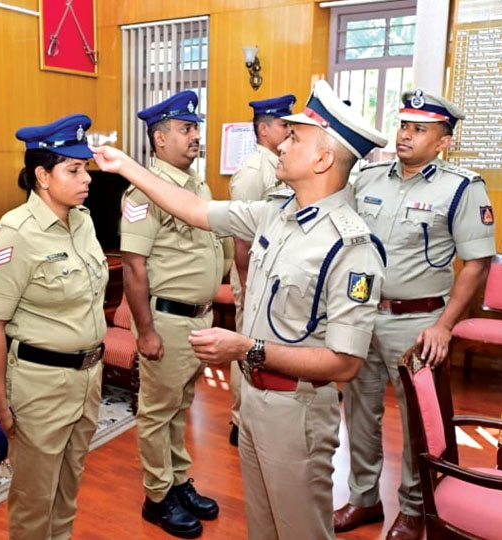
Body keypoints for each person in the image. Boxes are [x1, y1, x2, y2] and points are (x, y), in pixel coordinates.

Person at [94, 79, 387, 540]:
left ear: (322, 159)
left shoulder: (352, 247)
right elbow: (193, 210)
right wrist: (128, 166)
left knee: (299, 529)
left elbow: (345, 363)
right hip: (254, 400)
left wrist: (247, 348)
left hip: (298, 409)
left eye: (295, 137)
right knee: (263, 528)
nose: (281, 143)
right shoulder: (276, 213)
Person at [334, 89, 495, 540]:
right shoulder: (367, 179)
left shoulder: (462, 187)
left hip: (418, 322)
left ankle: (414, 507)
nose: (405, 135)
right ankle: (363, 499)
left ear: (443, 141)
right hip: (362, 314)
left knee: (418, 421)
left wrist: (444, 326)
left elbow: (476, 262)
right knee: (360, 413)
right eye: (404, 125)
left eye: (419, 129)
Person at [0, 114, 108, 540]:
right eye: (73, 169)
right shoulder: (13, 235)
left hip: (88, 377)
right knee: (34, 499)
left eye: (85, 167)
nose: (85, 177)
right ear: (42, 176)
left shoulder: (83, 220)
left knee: (69, 488)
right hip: (40, 384)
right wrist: (0, 406)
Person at [121, 90, 223, 538]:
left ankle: (179, 482)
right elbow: (134, 266)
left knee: (180, 406)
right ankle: (157, 496)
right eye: (186, 129)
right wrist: (145, 332)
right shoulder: (143, 192)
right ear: (160, 140)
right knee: (156, 411)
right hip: (167, 320)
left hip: (198, 319)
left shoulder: (196, 183)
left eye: (195, 128)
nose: (195, 136)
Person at [226, 93, 296, 446]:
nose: (289, 130)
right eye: (284, 125)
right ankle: (240, 421)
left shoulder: (281, 164)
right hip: (250, 276)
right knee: (244, 347)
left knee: (262, 347)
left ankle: (257, 414)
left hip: (269, 277)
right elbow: (241, 238)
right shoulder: (254, 172)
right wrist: (246, 286)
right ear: (264, 129)